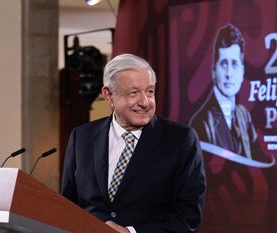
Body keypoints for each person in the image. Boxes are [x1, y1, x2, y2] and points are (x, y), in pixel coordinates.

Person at [61, 54, 206, 233]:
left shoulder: (180, 140)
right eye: (134, 93)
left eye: (150, 91)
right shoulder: (82, 138)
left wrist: (131, 232)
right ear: (109, 96)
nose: (145, 102)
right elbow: (67, 206)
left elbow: (189, 217)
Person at [189, 23, 258, 160]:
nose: (229, 73)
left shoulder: (244, 115)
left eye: (234, 64)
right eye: (224, 64)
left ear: (242, 71)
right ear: (214, 71)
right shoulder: (201, 123)